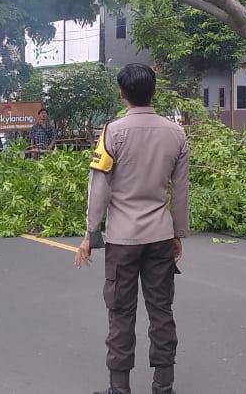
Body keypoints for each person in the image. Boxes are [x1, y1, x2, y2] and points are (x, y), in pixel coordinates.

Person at [74, 63, 190, 394]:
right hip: (159, 236)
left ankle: (119, 389)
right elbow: (180, 192)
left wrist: (89, 232)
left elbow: (99, 187)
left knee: (121, 312)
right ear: (153, 92)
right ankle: (163, 387)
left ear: (122, 94)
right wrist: (177, 234)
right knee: (161, 310)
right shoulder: (176, 134)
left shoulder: (112, 132)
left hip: (122, 239)